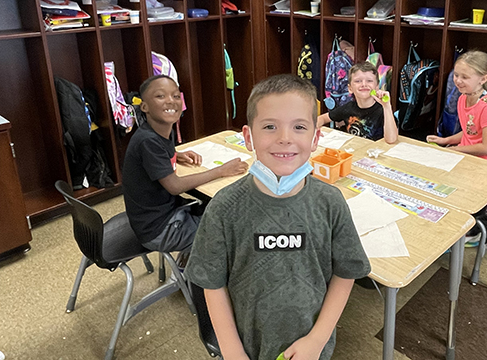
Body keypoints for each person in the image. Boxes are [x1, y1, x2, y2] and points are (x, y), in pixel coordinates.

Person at [185, 75, 370, 360]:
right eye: (270, 126)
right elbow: (212, 283)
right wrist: (234, 353)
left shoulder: (330, 202)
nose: (285, 137)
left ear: (315, 138)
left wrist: (317, 340)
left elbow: (346, 272)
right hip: (247, 346)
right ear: (248, 137)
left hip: (311, 348)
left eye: (299, 127)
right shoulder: (224, 207)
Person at [122, 75, 248, 258]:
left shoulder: (161, 130)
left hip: (161, 215)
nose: (170, 101)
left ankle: (191, 260)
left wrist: (175, 155)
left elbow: (158, 156)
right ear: (144, 107)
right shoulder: (148, 141)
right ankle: (198, 276)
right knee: (235, 228)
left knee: (221, 209)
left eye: (175, 96)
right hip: (161, 229)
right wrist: (221, 170)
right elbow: (175, 186)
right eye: (160, 96)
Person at [426, 50, 487, 163]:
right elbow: (470, 131)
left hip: (484, 163)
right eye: (456, 75)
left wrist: (456, 149)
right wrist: (445, 140)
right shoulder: (462, 98)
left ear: (483, 79)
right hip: (465, 157)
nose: (458, 80)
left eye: (465, 77)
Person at [317, 62, 398, 143]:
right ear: (350, 88)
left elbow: (391, 140)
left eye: (369, 81)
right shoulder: (348, 108)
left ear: (377, 86)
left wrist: (387, 107)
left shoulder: (383, 111)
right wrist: (314, 129)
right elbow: (322, 118)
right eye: (358, 81)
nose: (363, 84)